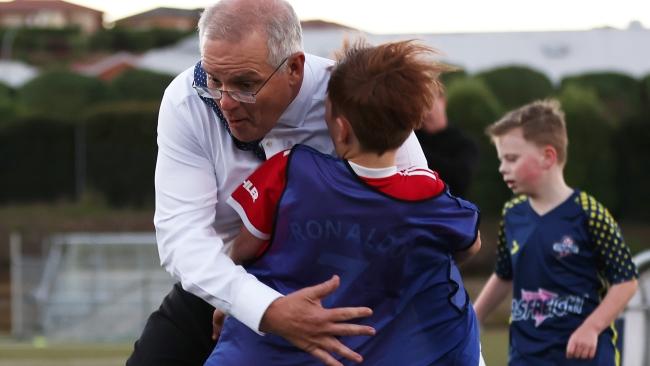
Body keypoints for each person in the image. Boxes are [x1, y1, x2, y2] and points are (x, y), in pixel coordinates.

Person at [126, 1, 428, 365]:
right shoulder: (187, 99)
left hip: (343, 289)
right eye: (213, 79)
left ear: (295, 68)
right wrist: (259, 306)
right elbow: (181, 236)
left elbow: (417, 219)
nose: (225, 102)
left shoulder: (357, 99)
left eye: (245, 84)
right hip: (223, 279)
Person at [204, 39, 484, 366]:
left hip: (284, 347)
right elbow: (470, 245)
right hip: (378, 348)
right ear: (409, 126)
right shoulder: (427, 192)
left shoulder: (290, 169)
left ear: (340, 127)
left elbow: (244, 249)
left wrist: (234, 298)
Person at [473, 99, 638, 365]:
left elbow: (626, 282)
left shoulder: (589, 212)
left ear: (548, 157)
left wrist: (592, 328)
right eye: (501, 159)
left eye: (511, 158)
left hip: (583, 356)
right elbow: (504, 275)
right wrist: (472, 318)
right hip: (526, 356)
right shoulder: (512, 213)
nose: (503, 168)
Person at [415, 89, 479, 197]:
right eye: (419, 105)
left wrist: (417, 153)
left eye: (428, 103)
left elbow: (460, 180)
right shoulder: (410, 138)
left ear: (443, 101)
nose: (425, 111)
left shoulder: (465, 144)